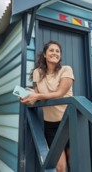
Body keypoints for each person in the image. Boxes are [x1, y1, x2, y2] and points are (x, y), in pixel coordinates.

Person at [21, 40, 74, 172]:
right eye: (51, 50)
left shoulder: (66, 69)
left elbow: (61, 93)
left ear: (60, 55)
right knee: (59, 167)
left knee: (72, 161)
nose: (55, 53)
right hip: (50, 124)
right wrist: (29, 96)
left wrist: (37, 96)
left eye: (57, 51)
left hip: (68, 121)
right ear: (44, 54)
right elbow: (37, 95)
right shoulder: (37, 72)